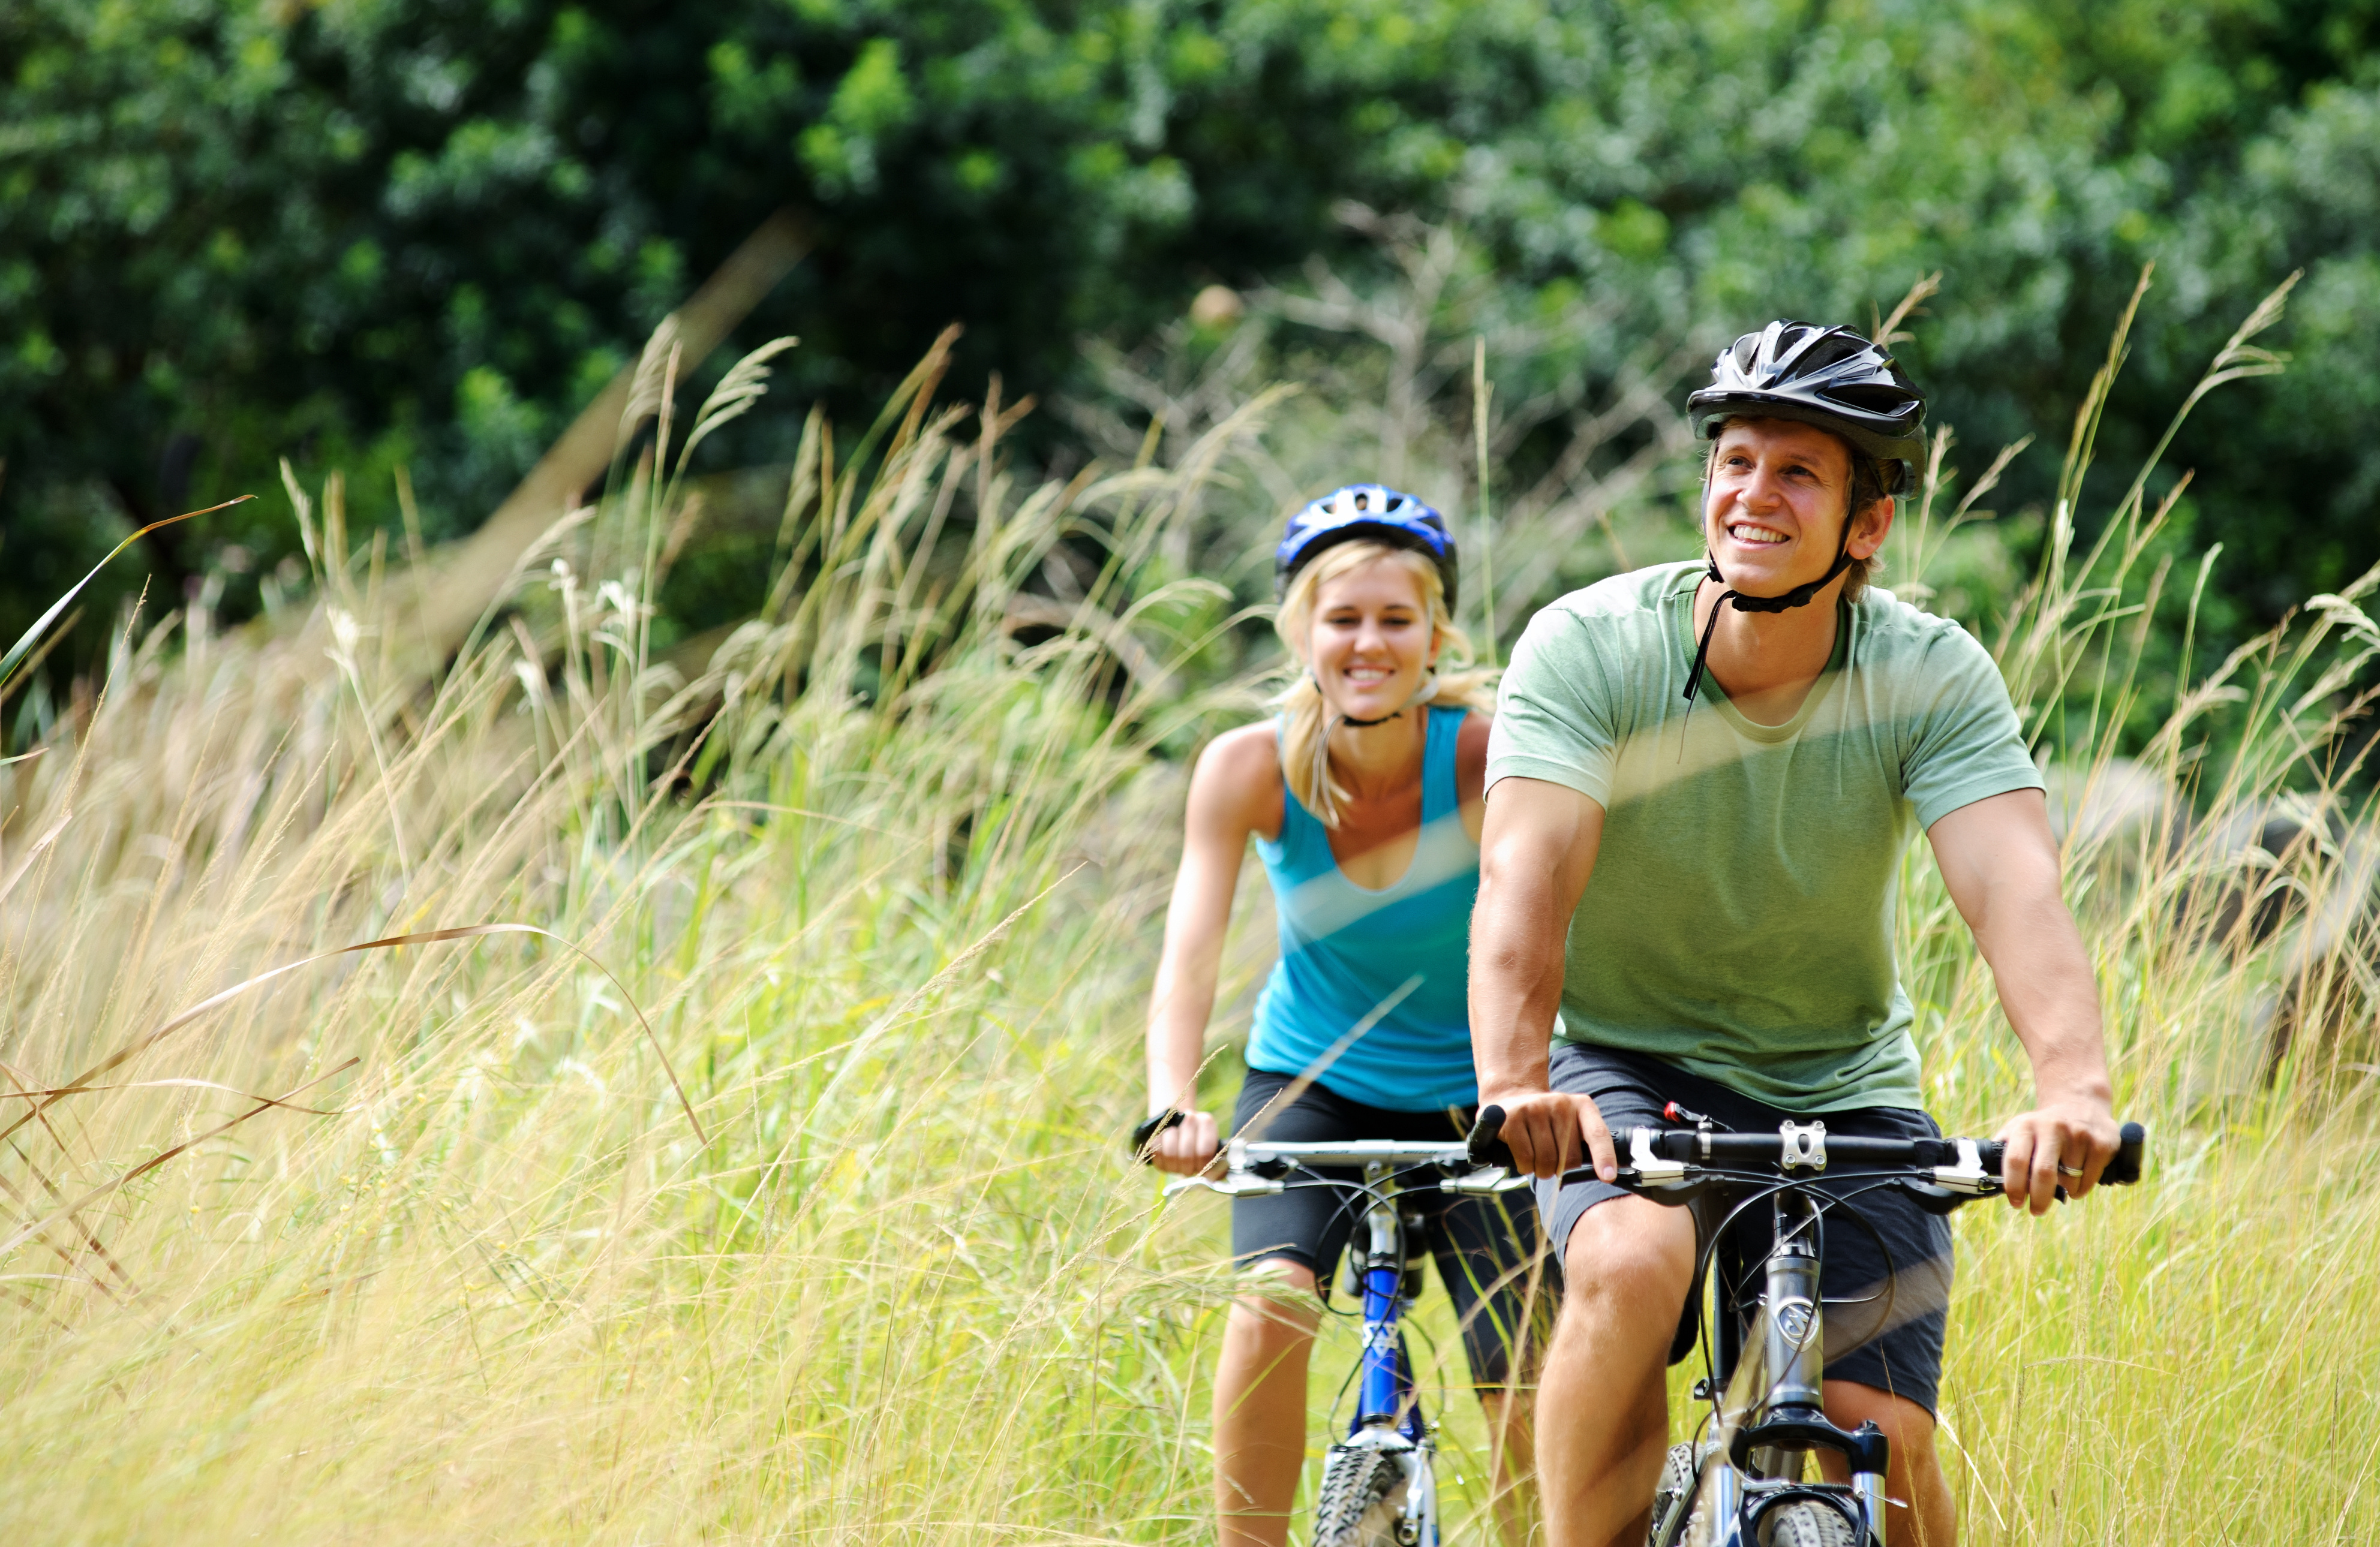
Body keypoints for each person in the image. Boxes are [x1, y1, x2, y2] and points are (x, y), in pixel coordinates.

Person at [1468, 322, 2123, 1547]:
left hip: (1842, 1092)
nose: (1750, 493)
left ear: (1864, 528)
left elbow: (2012, 886)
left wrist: (2071, 1089)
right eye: (1733, 459)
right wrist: (1514, 1080)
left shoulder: (1928, 673)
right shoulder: (1591, 647)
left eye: (1797, 473)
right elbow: (1524, 880)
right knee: (1625, 1266)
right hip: (1626, 1068)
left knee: (1883, 1435)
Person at [1140, 484, 1550, 1547]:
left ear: (1435, 635)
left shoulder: (1487, 756)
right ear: (1303, 633)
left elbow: (1560, 923)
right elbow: (1188, 953)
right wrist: (1171, 1106)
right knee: (1272, 1303)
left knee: (1524, 1374)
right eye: (1343, 619)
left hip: (1484, 1092)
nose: (1369, 643)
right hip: (1312, 1084)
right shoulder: (1247, 765)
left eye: (1395, 619)